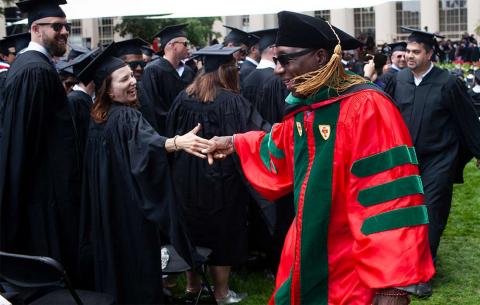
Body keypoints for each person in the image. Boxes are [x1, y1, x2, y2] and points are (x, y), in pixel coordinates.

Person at [204, 11, 435, 305]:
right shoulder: (309, 106)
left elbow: (390, 198)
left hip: (351, 264)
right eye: (276, 60)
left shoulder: (366, 107)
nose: (278, 70)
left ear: (320, 56)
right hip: (306, 250)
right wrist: (236, 142)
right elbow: (280, 145)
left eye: (285, 60)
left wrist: (392, 286)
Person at [78, 42, 211, 304]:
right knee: (135, 265)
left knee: (114, 263)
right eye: (123, 79)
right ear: (108, 90)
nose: (133, 82)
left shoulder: (97, 120)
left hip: (106, 210)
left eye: (132, 76)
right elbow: (149, 144)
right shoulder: (127, 117)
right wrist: (176, 142)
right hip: (130, 212)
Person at [167, 44, 270, 304]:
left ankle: (193, 286)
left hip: (186, 176)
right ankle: (222, 292)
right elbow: (257, 131)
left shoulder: (183, 98)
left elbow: (171, 134)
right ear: (227, 72)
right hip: (222, 176)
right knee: (223, 230)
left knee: (192, 229)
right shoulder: (233, 101)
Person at [0, 0, 84, 284]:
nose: (64, 32)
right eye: (56, 26)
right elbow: (24, 140)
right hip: (42, 195)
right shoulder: (34, 71)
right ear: (35, 29)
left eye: (66, 27)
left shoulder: (33, 65)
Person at [384, 27, 480, 275]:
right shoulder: (398, 80)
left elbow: (467, 119)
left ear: (429, 54)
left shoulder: (448, 83)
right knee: (406, 211)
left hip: (438, 158)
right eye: (407, 51)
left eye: (416, 51)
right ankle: (405, 263)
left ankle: (423, 271)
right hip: (406, 160)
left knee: (431, 212)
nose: (409, 56)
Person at [240, 28, 293, 273]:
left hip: (254, 149)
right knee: (283, 209)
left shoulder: (246, 76)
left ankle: (261, 253)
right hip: (278, 149)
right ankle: (280, 259)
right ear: (274, 51)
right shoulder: (277, 82)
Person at [140, 23, 195, 134]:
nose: (188, 47)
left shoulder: (188, 71)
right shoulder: (152, 70)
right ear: (173, 45)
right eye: (185, 43)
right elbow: (152, 109)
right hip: (164, 134)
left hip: (189, 132)